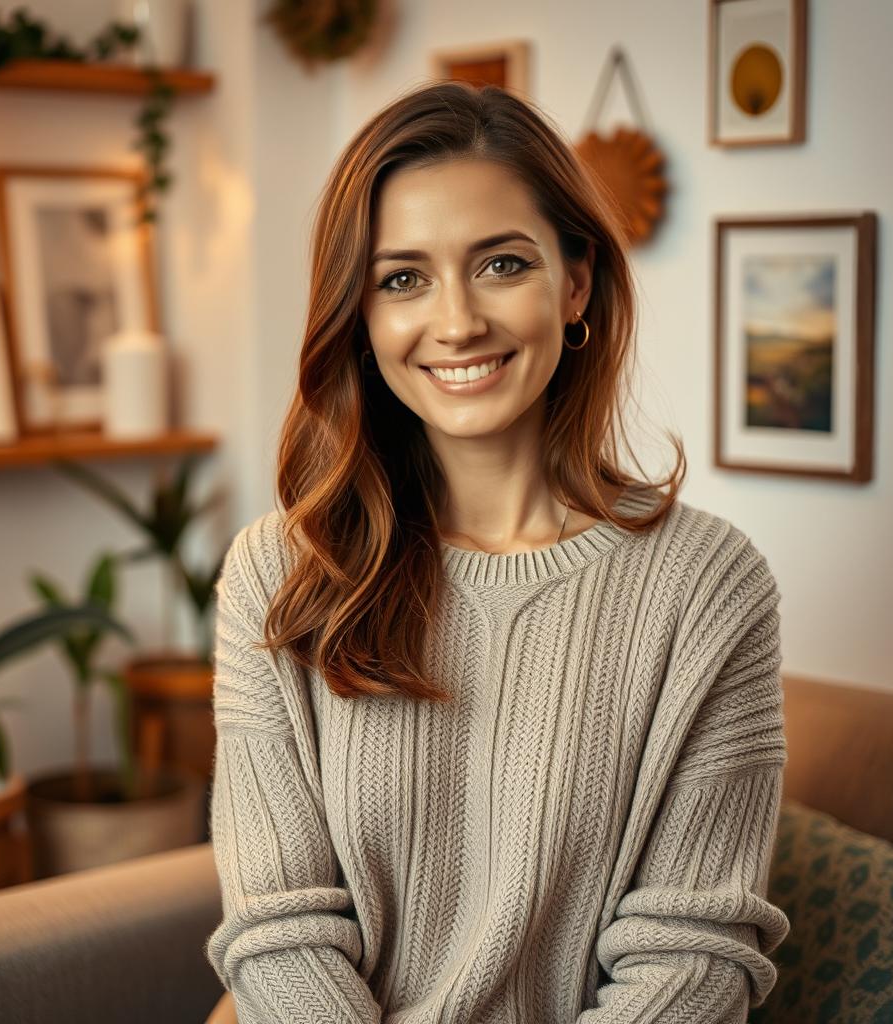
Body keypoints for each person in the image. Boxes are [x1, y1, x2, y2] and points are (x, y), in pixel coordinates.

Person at [204, 80, 789, 1023]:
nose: (457, 321)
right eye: (403, 279)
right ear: (360, 317)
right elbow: (279, 930)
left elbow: (696, 957)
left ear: (575, 282)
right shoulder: (279, 573)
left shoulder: (709, 586)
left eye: (501, 264)